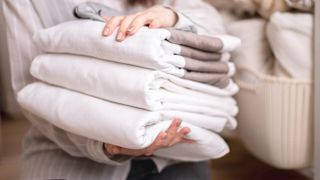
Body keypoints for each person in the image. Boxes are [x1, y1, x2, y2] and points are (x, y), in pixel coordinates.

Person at [21, 0, 226, 180]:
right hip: (69, 158)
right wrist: (105, 143)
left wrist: (171, 17)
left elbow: (212, 21)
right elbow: (30, 92)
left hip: (174, 153)